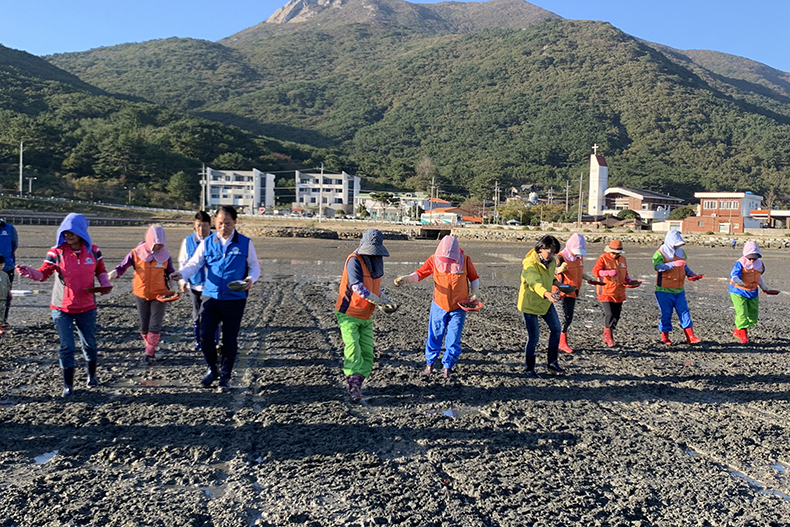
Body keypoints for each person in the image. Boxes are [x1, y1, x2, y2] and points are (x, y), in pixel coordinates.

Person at [15, 213, 112, 396]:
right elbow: (43, 274)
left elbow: (101, 271)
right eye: (65, 232)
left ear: (81, 232)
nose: (68, 236)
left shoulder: (94, 251)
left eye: (71, 232)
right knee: (67, 346)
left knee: (89, 344)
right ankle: (68, 385)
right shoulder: (56, 252)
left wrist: (105, 284)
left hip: (87, 306)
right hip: (62, 307)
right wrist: (30, 272)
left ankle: (92, 376)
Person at [170, 205, 260, 391]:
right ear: (215, 223)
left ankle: (225, 377)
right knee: (205, 337)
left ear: (235, 222)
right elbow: (194, 264)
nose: (223, 227)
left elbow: (254, 266)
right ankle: (213, 369)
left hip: (235, 298)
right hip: (210, 296)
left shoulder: (245, 243)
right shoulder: (208, 242)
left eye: (227, 223)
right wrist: (181, 274)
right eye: (219, 223)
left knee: (229, 340)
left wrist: (250, 279)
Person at [394, 235, 480, 379]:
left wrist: (475, 293)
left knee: (453, 338)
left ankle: (448, 366)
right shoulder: (434, 259)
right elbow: (420, 274)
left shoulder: (465, 260)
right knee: (435, 334)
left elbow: (474, 278)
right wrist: (406, 279)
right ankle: (430, 363)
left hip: (459, 306)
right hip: (439, 304)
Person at [335, 229, 394, 400]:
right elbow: (357, 287)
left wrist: (386, 300)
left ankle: (357, 385)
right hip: (349, 313)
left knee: (367, 353)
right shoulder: (354, 260)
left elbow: (375, 288)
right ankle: (353, 386)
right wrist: (380, 301)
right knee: (353, 350)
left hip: (367, 315)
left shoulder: (375, 263)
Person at [108, 225, 175, 363]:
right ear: (150, 241)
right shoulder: (136, 253)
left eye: (160, 244)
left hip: (160, 295)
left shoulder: (165, 255)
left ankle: (149, 352)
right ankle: (149, 345)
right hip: (141, 293)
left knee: (155, 325)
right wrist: (113, 274)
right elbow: (122, 267)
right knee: (144, 326)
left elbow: (170, 272)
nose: (158, 247)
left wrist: (176, 281)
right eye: (156, 244)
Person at [518, 235, 572, 378]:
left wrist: (560, 285)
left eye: (554, 252)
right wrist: (546, 293)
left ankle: (552, 363)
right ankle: (529, 368)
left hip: (546, 303)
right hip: (530, 304)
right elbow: (533, 282)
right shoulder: (529, 263)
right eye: (550, 252)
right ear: (541, 248)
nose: (552, 255)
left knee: (556, 328)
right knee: (534, 337)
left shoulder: (552, 261)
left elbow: (551, 277)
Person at [653, 231, 702, 345]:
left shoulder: (681, 252)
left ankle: (690, 336)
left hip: (679, 289)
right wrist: (673, 264)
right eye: (675, 244)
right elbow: (658, 267)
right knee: (666, 313)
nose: (677, 246)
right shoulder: (660, 253)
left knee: (684, 312)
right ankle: (665, 336)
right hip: (663, 290)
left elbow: (684, 266)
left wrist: (691, 274)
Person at [177, 211, 218, 351]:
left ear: (210, 225)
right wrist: (183, 281)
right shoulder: (188, 241)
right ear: (194, 226)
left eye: (205, 226)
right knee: (197, 314)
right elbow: (183, 262)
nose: (201, 229)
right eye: (199, 226)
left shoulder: (216, 240)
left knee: (213, 315)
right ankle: (199, 341)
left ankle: (215, 341)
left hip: (212, 285)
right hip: (195, 284)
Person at [553, 233, 597, 354]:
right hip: (560, 291)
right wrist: (559, 270)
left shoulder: (579, 258)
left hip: (573, 291)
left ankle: (560, 339)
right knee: (562, 318)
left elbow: (578, 272)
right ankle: (561, 343)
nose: (576, 253)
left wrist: (588, 278)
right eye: (575, 250)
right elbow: (552, 272)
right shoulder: (560, 257)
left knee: (569, 318)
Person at [592, 239, 640, 347]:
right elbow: (596, 272)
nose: (615, 255)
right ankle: (608, 336)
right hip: (606, 291)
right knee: (610, 314)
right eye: (613, 252)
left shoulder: (623, 259)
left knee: (617, 315)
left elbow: (625, 272)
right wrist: (607, 272)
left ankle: (609, 332)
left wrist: (629, 280)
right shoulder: (603, 258)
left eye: (617, 253)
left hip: (619, 291)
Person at [729, 241, 776, 344]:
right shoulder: (740, 263)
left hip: (753, 291)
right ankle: (743, 334)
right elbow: (734, 275)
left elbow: (758, 277)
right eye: (750, 257)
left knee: (753, 314)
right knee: (742, 313)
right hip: (738, 290)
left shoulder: (760, 265)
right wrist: (738, 280)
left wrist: (764, 287)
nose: (752, 259)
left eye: (754, 257)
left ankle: (738, 330)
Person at [0, 218, 18, 327]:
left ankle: (3, 320)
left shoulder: (9, 229)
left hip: (7, 268)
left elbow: (14, 245)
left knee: (5, 295)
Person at [0, 256, 9, 335]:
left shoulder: (5, 275)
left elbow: (8, 285)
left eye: (2, 265)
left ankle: (0, 327)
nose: (0, 267)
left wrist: (9, 293)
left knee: (2, 313)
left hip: (3, 297)